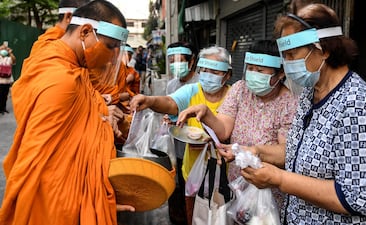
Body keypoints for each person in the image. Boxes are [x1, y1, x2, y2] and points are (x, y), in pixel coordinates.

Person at [240, 4, 366, 224]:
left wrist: (279, 179)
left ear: (325, 50)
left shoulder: (357, 105)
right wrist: (257, 151)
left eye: (292, 55)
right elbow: (297, 154)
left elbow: (357, 198)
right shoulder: (310, 93)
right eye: (285, 56)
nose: (287, 64)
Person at [0, 1, 135, 224]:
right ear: (85, 32)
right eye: (110, 46)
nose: (112, 56)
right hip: (56, 205)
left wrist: (102, 112)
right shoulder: (60, 78)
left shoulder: (74, 69)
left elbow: (81, 115)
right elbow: (40, 164)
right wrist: (91, 199)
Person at [176, 39, 299, 209]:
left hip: (268, 191)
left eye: (260, 70)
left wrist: (255, 152)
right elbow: (224, 129)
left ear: (281, 73)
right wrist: (206, 113)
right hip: (237, 184)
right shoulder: (240, 89)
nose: (253, 74)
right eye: (250, 69)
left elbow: (286, 153)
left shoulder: (290, 103)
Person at [130, 46, 232, 224]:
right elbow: (170, 102)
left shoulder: (234, 97)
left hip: (228, 176)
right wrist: (149, 100)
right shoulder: (192, 91)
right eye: (204, 70)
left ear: (227, 75)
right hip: (194, 173)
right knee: (195, 217)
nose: (208, 75)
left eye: (214, 71)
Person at [165, 41, 199, 225]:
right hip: (176, 145)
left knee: (192, 189)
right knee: (175, 186)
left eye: (179, 60)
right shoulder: (171, 85)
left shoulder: (202, 83)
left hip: (195, 148)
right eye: (171, 60)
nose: (174, 64)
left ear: (192, 61)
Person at [0, 42, 16, 115]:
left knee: (5, 95)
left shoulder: (8, 59)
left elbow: (14, 60)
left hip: (7, 80)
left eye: (4, 49)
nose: (3, 50)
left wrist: (10, 52)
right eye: (2, 49)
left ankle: (3, 108)